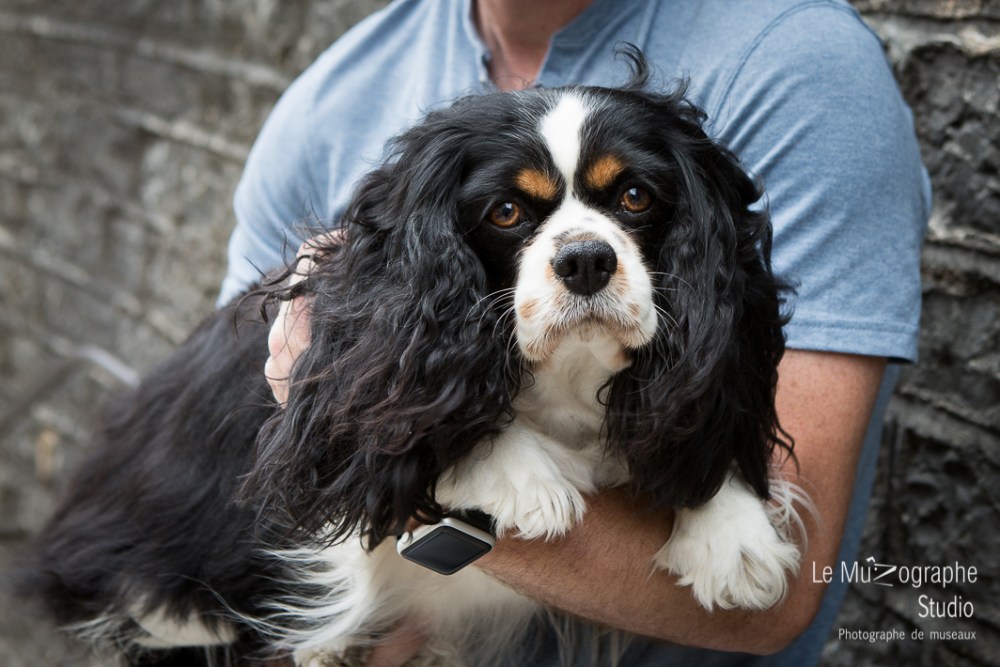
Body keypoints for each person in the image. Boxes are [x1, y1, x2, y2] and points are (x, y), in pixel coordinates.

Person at [220, 0, 930, 664]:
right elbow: (249, 491)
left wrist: (412, 489)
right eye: (506, 215)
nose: (584, 245)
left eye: (630, 199)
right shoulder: (323, 105)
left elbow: (771, 592)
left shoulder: (796, 63)